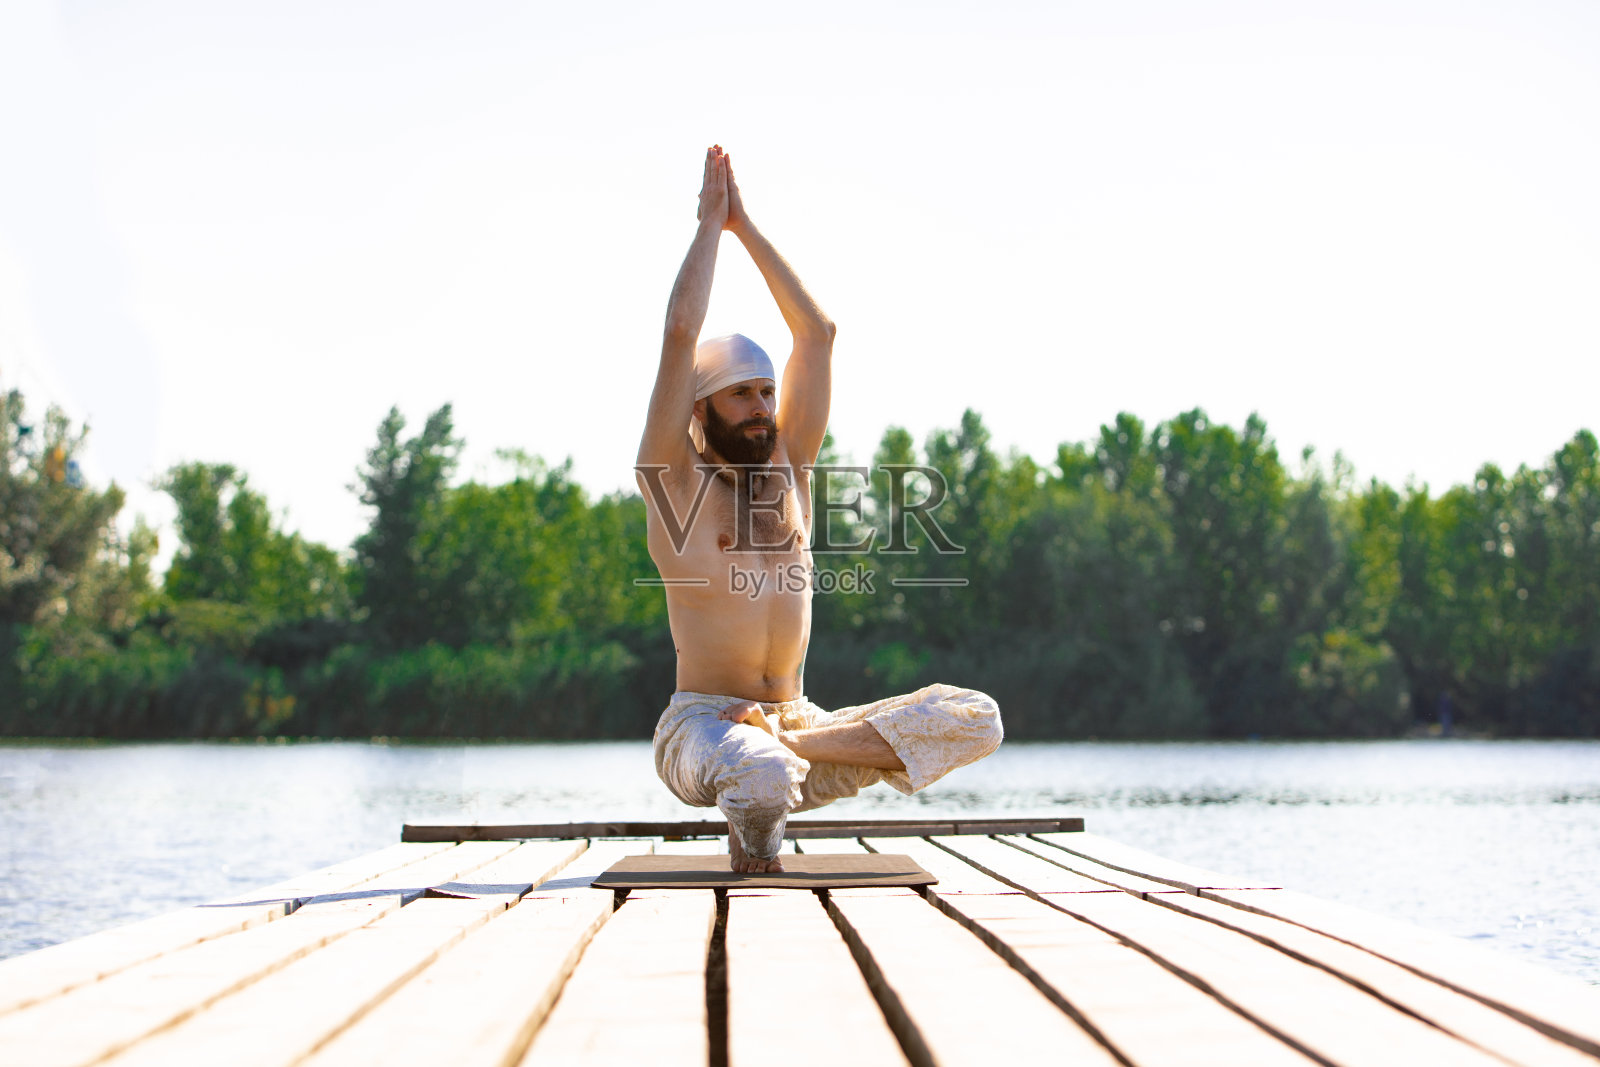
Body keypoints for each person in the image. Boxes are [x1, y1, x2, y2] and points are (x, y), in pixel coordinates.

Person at [636, 146, 1002, 873]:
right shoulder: (672, 480)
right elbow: (680, 334)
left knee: (974, 717)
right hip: (703, 729)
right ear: (700, 410)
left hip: (801, 727)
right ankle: (763, 799)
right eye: (742, 394)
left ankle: (784, 754)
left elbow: (818, 335)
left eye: (768, 392)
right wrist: (711, 226)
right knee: (758, 771)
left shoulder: (789, 470)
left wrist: (748, 226)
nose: (762, 407)